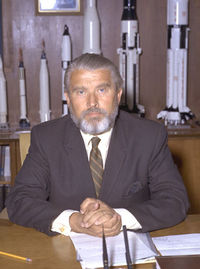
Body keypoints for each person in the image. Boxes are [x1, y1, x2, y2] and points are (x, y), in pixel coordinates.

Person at [6, 53, 189, 237]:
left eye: (102, 90)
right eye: (81, 92)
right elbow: (19, 201)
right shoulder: (46, 138)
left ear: (118, 95)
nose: (92, 102)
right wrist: (74, 221)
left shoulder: (149, 136)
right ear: (68, 98)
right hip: (63, 254)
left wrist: (118, 219)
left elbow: (175, 201)